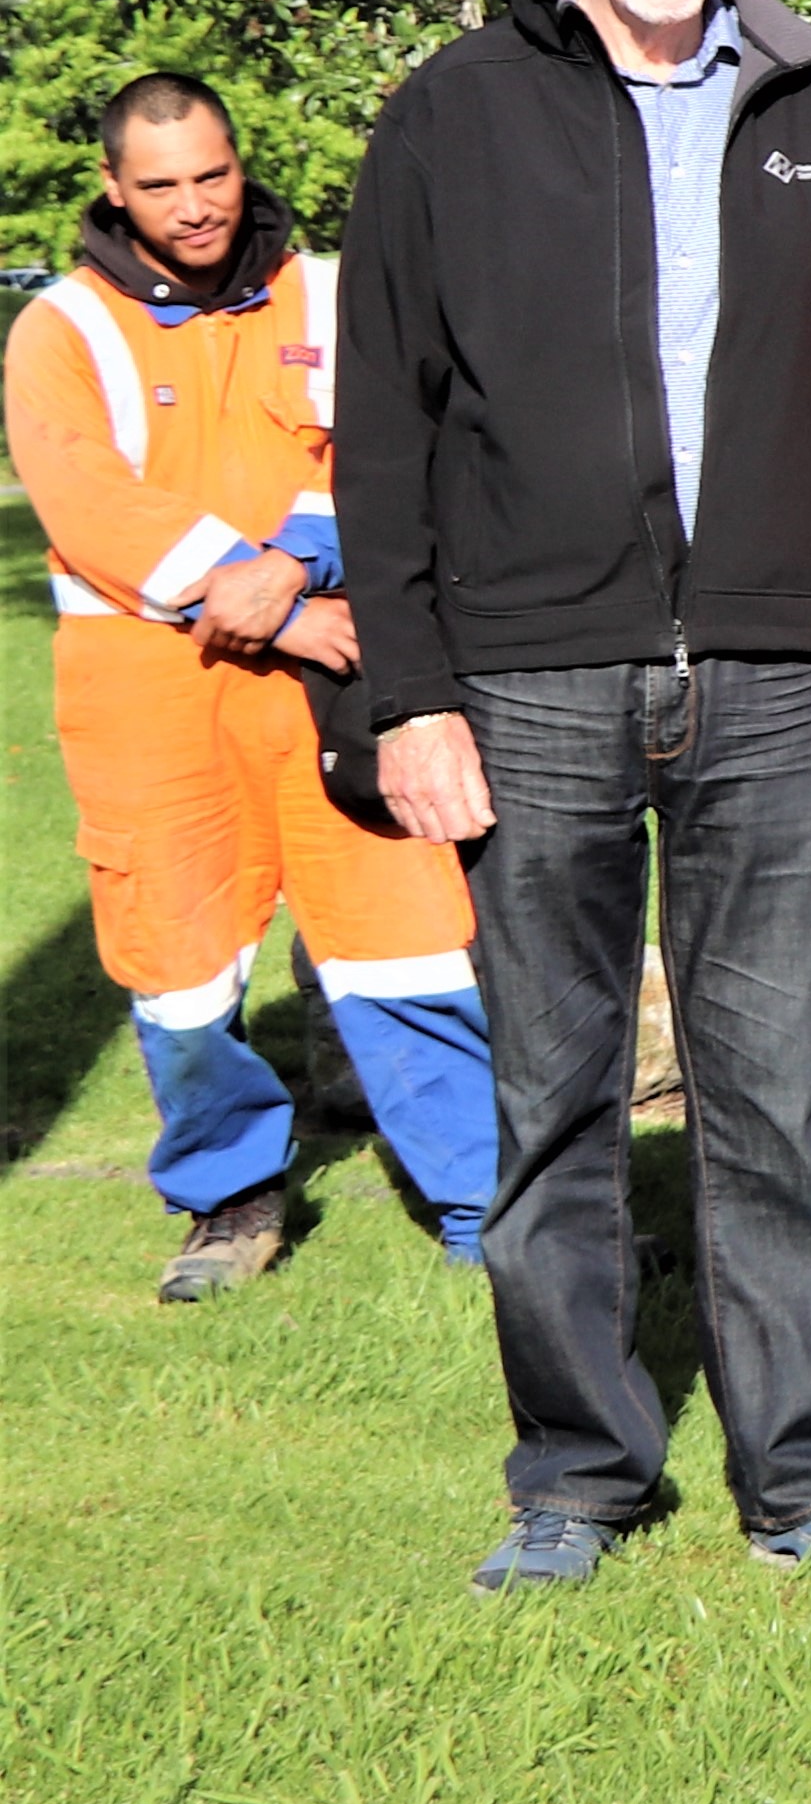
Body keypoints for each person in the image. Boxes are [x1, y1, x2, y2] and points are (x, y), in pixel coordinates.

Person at [342, 0, 811, 1587]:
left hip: (767, 666)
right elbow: (383, 427)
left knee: (772, 1081)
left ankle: (806, 1476)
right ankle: (581, 1472)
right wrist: (411, 690)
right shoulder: (450, 116)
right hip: (530, 673)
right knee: (557, 1088)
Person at [15, 74, 497, 1297]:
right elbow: (84, 501)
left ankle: (488, 1209)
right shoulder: (61, 328)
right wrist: (260, 591)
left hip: (334, 675)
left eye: (212, 175)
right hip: (154, 693)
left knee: (415, 952)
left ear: (242, 162)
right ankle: (230, 1200)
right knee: (179, 973)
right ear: (116, 189)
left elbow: (399, 446)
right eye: (162, 185)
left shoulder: (332, 293)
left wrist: (291, 567)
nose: (193, 206)